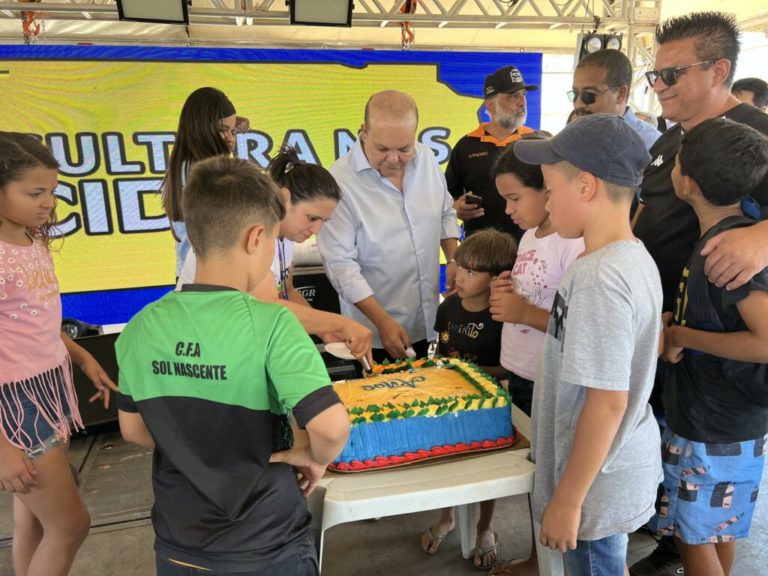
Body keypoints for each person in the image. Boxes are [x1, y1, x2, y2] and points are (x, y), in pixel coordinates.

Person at [116, 156, 350, 576]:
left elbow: (133, 430)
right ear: (256, 237)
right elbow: (331, 428)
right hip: (265, 542)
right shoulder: (273, 323)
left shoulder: (140, 326)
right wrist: (311, 456)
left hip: (178, 541)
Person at [632, 12, 768, 573]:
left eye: (672, 74)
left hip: (718, 369)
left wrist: (763, 235)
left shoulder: (755, 137)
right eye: (654, 75)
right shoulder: (669, 141)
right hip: (673, 345)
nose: (659, 86)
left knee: (703, 494)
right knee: (689, 488)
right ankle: (674, 537)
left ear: (719, 71)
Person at [513, 114, 662, 574]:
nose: (547, 202)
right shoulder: (628, 256)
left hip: (595, 483)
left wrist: (568, 500)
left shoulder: (600, 277)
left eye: (551, 189)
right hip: (607, 468)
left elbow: (608, 401)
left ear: (585, 187)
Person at [0, 132, 117, 576]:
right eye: (35, 192)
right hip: (13, 406)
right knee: (70, 525)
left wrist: (83, 357)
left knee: (32, 517)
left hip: (48, 388)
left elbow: (36, 319)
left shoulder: (32, 239)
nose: (48, 202)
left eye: (51, 191)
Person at [178, 146, 373, 361]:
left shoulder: (285, 237)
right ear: (284, 198)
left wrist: (324, 330)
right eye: (312, 218)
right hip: (199, 346)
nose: (317, 230)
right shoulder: (254, 229)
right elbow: (268, 305)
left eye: (324, 221)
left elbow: (286, 291)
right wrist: (340, 323)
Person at [317, 90, 460, 362]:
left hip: (429, 319)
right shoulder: (339, 181)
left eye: (404, 149)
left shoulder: (428, 160)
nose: (394, 159)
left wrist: (453, 257)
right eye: (382, 149)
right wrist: (382, 321)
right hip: (374, 331)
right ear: (364, 132)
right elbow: (340, 265)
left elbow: (445, 213)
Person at [419, 229, 516, 570]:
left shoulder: (503, 316)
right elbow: (442, 351)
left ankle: (485, 526)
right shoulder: (448, 309)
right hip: (450, 402)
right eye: (459, 265)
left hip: (488, 406)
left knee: (486, 470)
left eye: (472, 271)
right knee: (448, 463)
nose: (459, 275)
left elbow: (509, 366)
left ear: (498, 278)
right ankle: (447, 517)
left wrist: (473, 374)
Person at [447, 65, 539, 242]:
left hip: (531, 250)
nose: (522, 102)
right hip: (481, 253)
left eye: (523, 95)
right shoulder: (466, 145)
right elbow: (448, 195)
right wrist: (456, 208)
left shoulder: (537, 142)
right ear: (491, 105)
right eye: (514, 96)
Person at [162, 87, 237, 279]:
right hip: (207, 277)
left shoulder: (184, 164)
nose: (230, 138)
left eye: (233, 131)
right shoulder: (205, 174)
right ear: (201, 128)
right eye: (223, 130)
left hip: (192, 275)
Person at [570, 49, 661, 150]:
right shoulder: (572, 137)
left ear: (620, 94)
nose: (578, 104)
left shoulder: (651, 144)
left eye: (589, 95)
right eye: (575, 94)